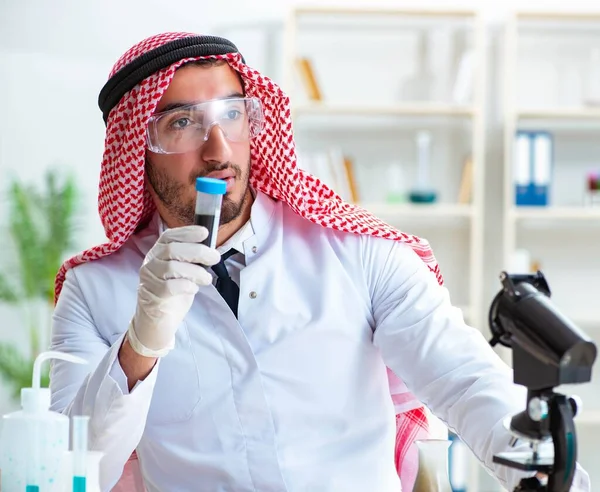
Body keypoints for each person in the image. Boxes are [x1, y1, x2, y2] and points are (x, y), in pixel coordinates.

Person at [49, 32, 589, 492]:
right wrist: (138, 346)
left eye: (232, 115)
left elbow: (466, 381)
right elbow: (73, 464)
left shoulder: (356, 251)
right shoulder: (94, 289)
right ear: (136, 145)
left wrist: (544, 460)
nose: (217, 148)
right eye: (182, 123)